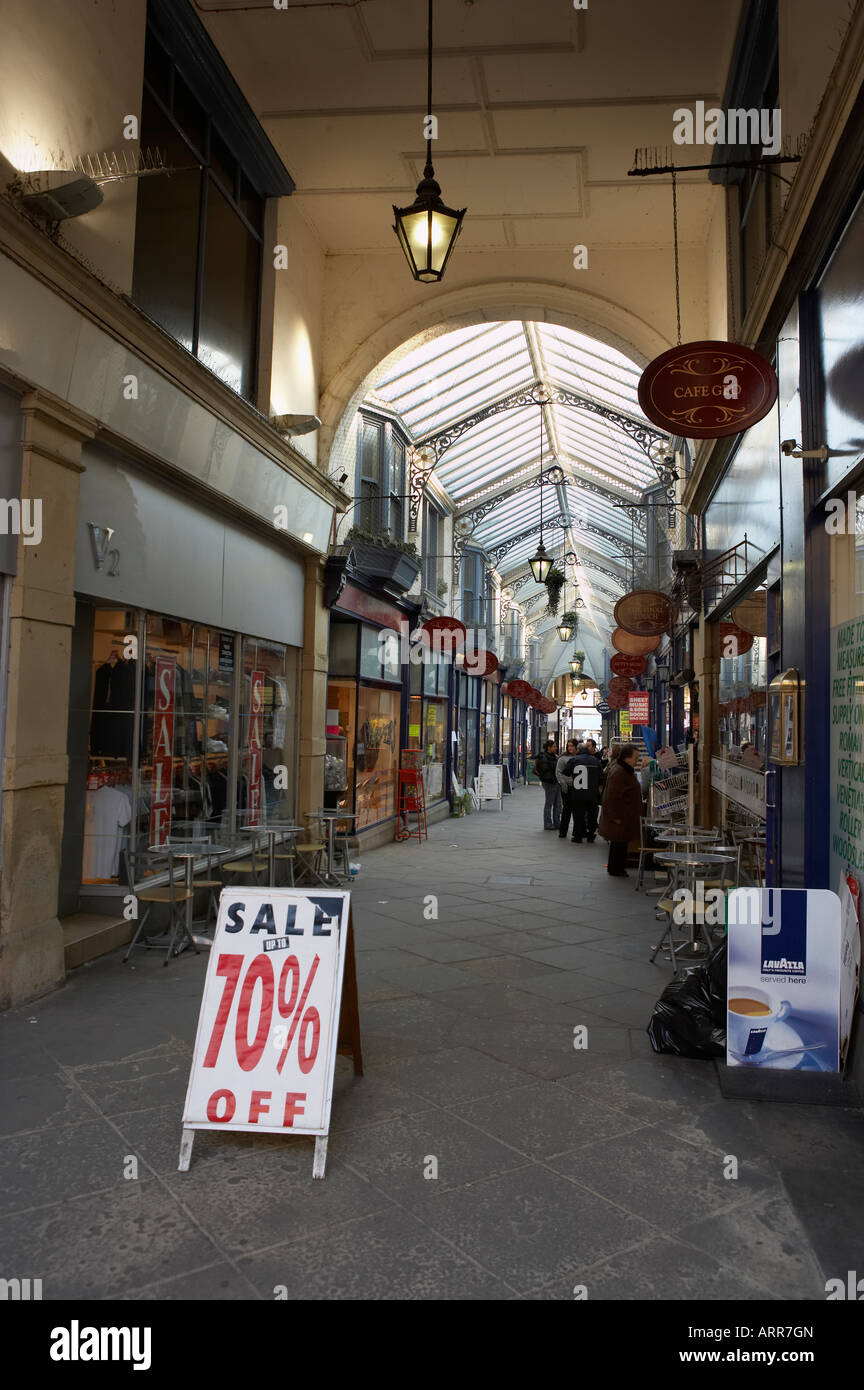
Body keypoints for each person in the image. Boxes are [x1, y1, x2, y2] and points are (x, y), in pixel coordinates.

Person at [598, 741, 643, 877]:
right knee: (618, 842)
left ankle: (617, 867)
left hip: (623, 815)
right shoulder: (620, 772)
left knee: (620, 842)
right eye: (635, 758)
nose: (636, 761)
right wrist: (616, 816)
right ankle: (616, 868)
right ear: (626, 757)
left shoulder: (622, 770)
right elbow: (612, 796)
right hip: (620, 816)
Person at [568, 742, 602, 843]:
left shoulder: (574, 760)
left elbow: (566, 771)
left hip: (578, 792)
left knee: (579, 815)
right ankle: (591, 835)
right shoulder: (596, 761)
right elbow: (601, 776)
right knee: (592, 815)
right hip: (592, 792)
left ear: (578, 750)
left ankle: (578, 836)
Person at [533, 737, 561, 831]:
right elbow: (545, 770)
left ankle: (557, 823)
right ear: (549, 748)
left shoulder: (554, 756)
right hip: (549, 782)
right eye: (554, 746)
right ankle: (548, 824)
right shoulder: (544, 757)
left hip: (555, 782)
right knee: (549, 803)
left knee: (558, 803)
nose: (555, 748)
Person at [555, 739, 579, 840]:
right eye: (568, 746)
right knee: (566, 809)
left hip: (577, 787)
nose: (570, 748)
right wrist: (563, 784)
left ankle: (576, 832)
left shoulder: (579, 758)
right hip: (567, 787)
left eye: (572, 746)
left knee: (577, 810)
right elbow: (558, 772)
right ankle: (563, 831)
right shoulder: (562, 759)